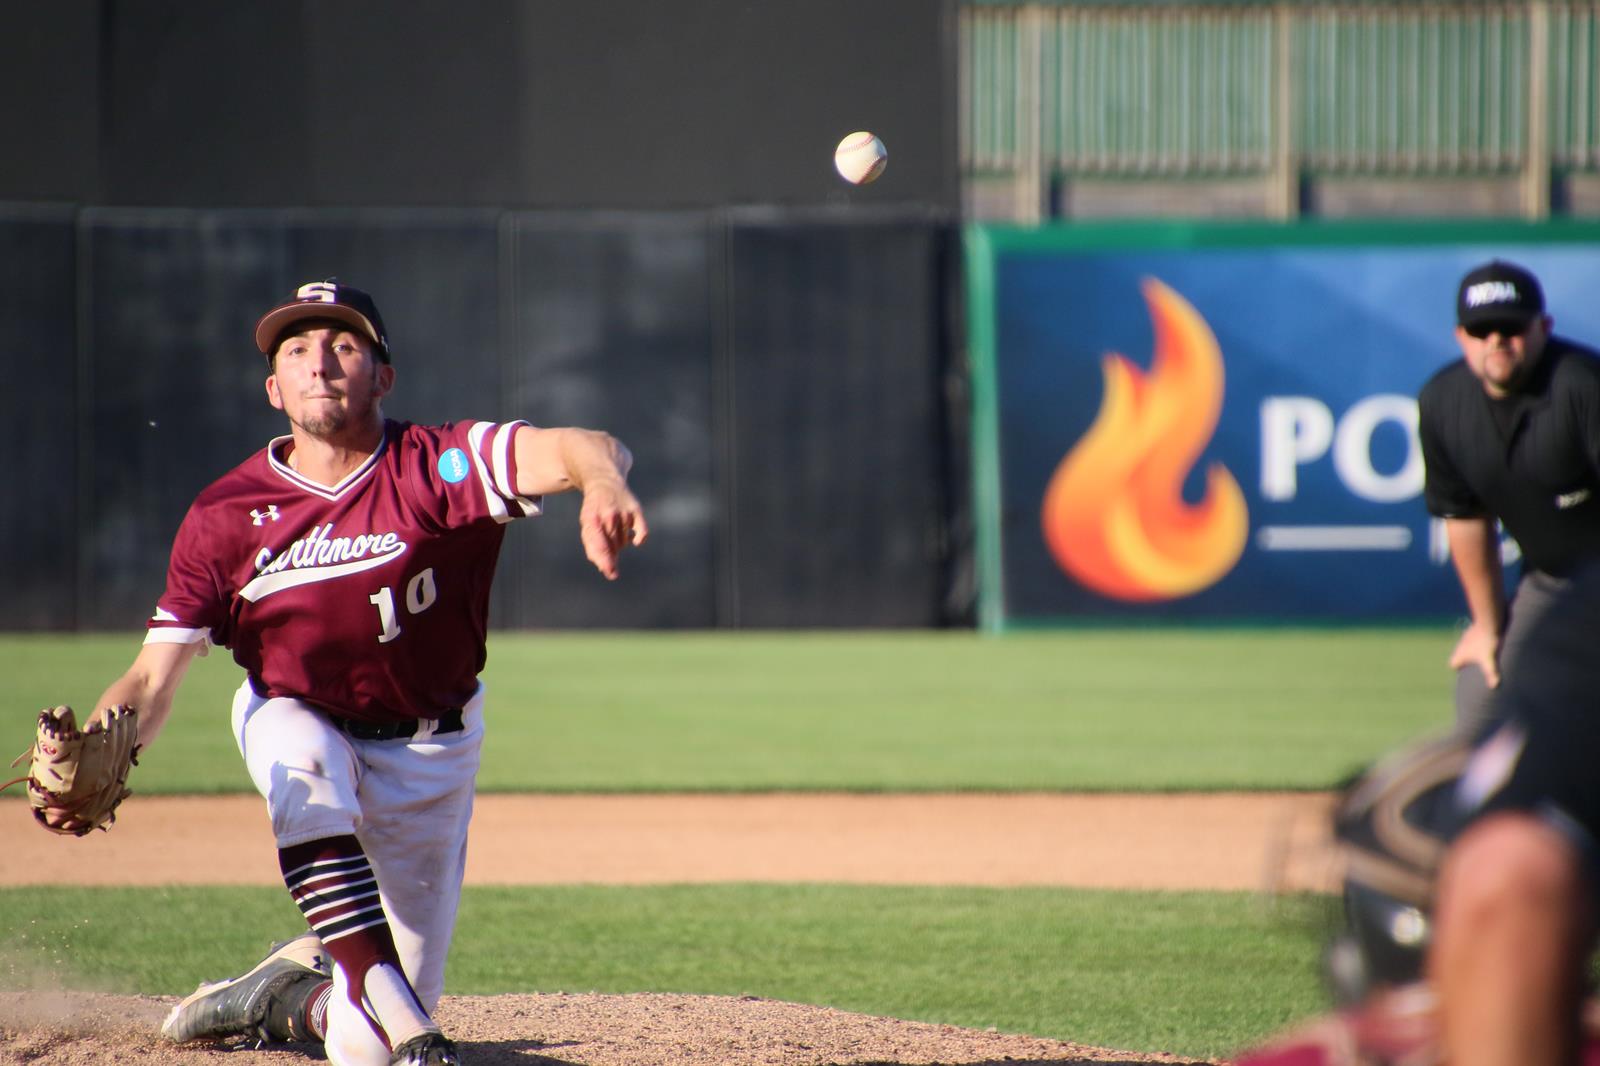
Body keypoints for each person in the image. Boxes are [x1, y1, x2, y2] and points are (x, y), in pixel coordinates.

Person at [88, 280, 647, 1066]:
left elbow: (580, 443)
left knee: (363, 1051)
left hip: (431, 752)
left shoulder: (439, 465)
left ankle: (288, 997)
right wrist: (100, 737)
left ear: (383, 376)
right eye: (296, 350)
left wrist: (603, 482)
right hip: (295, 712)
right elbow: (151, 680)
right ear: (274, 387)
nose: (320, 363)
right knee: (302, 759)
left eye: (344, 345)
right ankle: (406, 1020)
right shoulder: (225, 513)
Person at [1417, 258, 1600, 736]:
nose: (1496, 340)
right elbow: (1464, 517)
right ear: (1461, 337)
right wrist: (1487, 623)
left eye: (1511, 327)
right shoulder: (1443, 402)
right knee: (1483, 693)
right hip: (1554, 582)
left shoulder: (1584, 387)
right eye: (1482, 330)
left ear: (1543, 326)